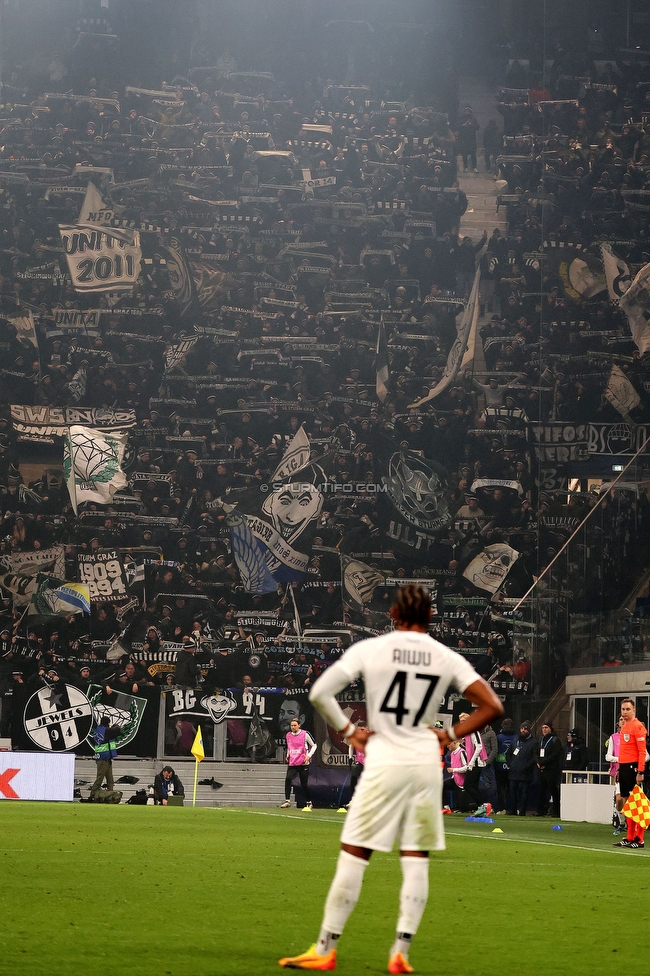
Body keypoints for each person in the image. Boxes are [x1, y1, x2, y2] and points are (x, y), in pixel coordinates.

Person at [278, 584, 503, 973]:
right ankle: (400, 952)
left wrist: (351, 731)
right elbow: (492, 705)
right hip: (424, 764)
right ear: (430, 618)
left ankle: (325, 947)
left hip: (385, 759)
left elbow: (319, 693)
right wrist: (448, 736)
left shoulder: (372, 649)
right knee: (416, 858)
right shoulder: (445, 656)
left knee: (356, 853)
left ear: (393, 616)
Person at [614, 698, 647, 850]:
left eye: (628, 709)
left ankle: (640, 838)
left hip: (634, 767)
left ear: (634, 710)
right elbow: (624, 751)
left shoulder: (638, 726)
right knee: (628, 804)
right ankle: (630, 836)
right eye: (623, 709)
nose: (625, 712)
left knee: (637, 804)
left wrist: (640, 771)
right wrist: (620, 769)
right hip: (625, 767)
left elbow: (642, 752)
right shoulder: (625, 727)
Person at [281, 717, 316, 810]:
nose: (293, 727)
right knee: (288, 779)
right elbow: (289, 746)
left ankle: (309, 802)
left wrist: (308, 756)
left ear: (299, 726)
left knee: (303, 783)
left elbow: (314, 745)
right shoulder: (288, 735)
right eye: (291, 725)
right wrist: (288, 755)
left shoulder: (305, 734)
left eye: (295, 725)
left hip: (303, 762)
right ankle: (287, 801)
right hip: (293, 762)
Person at [506, 721, 537, 816]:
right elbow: (508, 753)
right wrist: (510, 764)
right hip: (514, 771)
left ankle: (522, 811)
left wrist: (527, 767)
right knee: (512, 792)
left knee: (524, 792)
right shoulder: (515, 741)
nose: (523, 730)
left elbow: (535, 757)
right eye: (522, 728)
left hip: (525, 772)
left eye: (525, 729)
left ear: (529, 730)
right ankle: (512, 810)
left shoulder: (533, 742)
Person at [535, 721, 563, 817]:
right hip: (541, 769)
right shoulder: (540, 740)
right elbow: (535, 752)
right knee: (541, 790)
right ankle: (540, 811)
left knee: (553, 791)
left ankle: (556, 812)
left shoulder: (555, 740)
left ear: (550, 729)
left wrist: (544, 762)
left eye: (546, 727)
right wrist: (538, 762)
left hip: (551, 769)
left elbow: (555, 755)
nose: (544, 729)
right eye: (543, 728)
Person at [90, 718, 119, 800]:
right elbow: (117, 730)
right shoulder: (105, 731)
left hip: (105, 757)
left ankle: (111, 796)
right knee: (100, 778)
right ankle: (93, 794)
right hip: (104, 758)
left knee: (110, 779)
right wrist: (115, 725)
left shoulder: (98, 730)